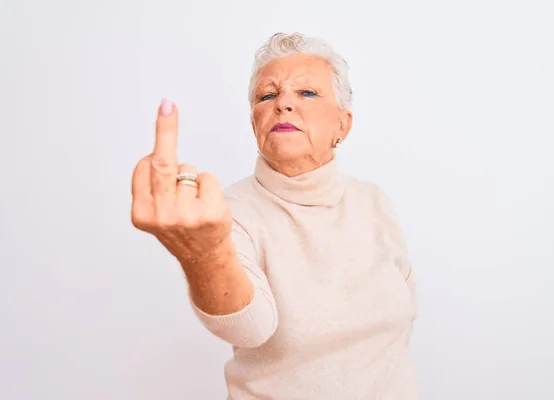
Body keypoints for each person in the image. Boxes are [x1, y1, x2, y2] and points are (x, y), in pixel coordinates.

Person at [131, 32, 418, 399]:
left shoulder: (374, 201)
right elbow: (250, 329)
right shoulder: (230, 212)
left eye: (307, 93)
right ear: (255, 123)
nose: (283, 103)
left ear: (342, 125)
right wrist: (204, 253)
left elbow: (403, 321)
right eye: (268, 95)